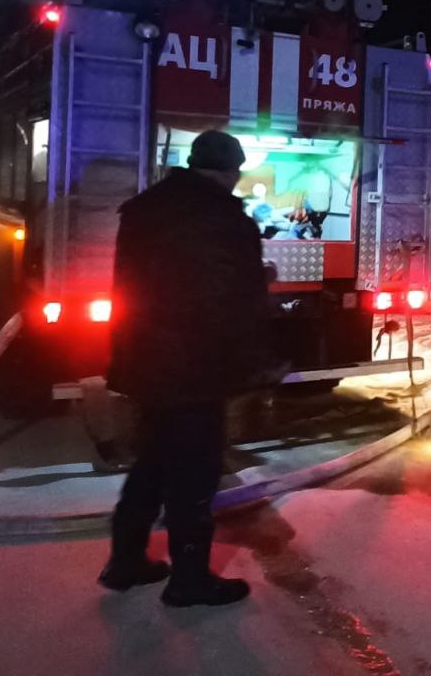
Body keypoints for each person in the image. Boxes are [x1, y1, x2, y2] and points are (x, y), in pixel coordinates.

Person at [99, 130, 271, 606]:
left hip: (144, 362)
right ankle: (189, 578)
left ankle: (126, 560)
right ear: (230, 172)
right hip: (195, 368)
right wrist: (253, 362)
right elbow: (225, 304)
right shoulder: (221, 219)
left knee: (152, 462)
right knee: (195, 473)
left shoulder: (145, 209)